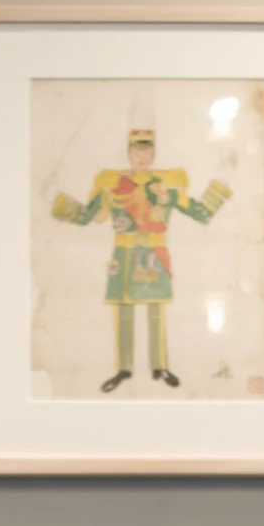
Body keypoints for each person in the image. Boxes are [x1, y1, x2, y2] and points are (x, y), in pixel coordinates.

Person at [50, 127, 231, 393]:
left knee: (156, 313)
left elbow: (200, 213)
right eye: (137, 150)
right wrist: (53, 199)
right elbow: (87, 216)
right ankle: (123, 369)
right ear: (128, 153)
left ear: (154, 153)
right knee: (123, 313)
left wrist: (224, 180)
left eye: (147, 150)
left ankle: (160, 366)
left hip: (154, 255)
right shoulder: (111, 186)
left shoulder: (168, 187)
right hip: (124, 257)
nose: (142, 156)